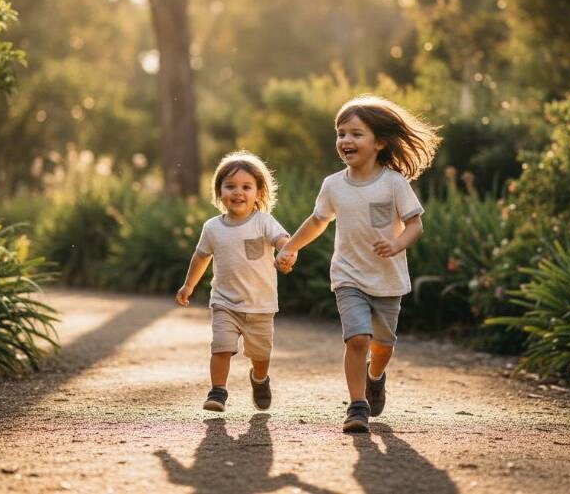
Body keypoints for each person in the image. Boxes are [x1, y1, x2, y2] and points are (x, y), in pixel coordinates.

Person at [275, 94, 440, 433]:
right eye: (340, 133)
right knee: (357, 340)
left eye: (355, 133)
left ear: (379, 142)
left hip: (388, 280)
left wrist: (396, 244)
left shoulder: (394, 183)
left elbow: (415, 225)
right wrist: (291, 247)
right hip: (348, 277)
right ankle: (357, 405)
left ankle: (375, 377)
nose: (345, 140)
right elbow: (319, 220)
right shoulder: (333, 185)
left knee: (382, 347)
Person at [176, 151, 295, 412]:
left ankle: (260, 379)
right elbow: (201, 256)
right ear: (219, 192)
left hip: (260, 306)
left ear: (259, 193)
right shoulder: (212, 228)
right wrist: (189, 285)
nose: (237, 192)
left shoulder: (264, 222)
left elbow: (281, 239)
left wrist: (287, 252)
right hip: (224, 303)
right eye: (230, 186)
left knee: (260, 355)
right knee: (221, 347)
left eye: (246, 187)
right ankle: (218, 391)